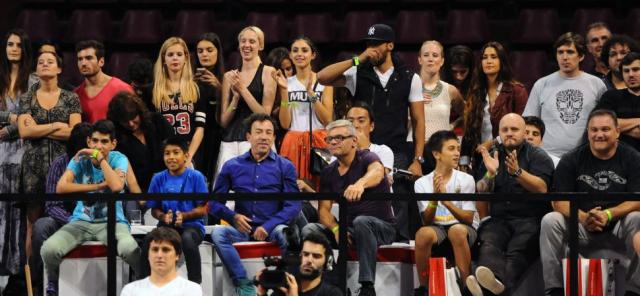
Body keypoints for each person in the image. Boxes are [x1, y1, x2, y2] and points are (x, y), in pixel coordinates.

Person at [317, 23, 424, 242]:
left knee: (399, 196)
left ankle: (398, 242)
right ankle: (360, 238)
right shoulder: (359, 72)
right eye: (369, 44)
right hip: (363, 149)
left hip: (397, 146)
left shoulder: (409, 77)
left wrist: (418, 159)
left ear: (390, 45)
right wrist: (358, 58)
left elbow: (419, 120)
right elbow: (322, 77)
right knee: (363, 195)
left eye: (377, 44)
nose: (372, 48)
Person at [540, 109, 640, 296]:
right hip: (582, 225)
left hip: (619, 224)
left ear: (617, 131)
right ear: (588, 133)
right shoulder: (571, 159)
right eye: (594, 130)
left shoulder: (633, 158)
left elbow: (638, 199)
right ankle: (554, 290)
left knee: (637, 217)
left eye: (605, 129)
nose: (599, 135)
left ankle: (634, 290)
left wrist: (608, 214)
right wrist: (584, 217)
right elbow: (559, 201)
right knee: (550, 219)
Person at [41, 120, 140, 295]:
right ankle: (53, 282)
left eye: (104, 142)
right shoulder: (79, 158)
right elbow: (61, 187)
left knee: (129, 249)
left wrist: (100, 159)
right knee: (48, 249)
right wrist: (98, 186)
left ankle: (140, 283)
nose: (98, 146)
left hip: (113, 221)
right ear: (88, 141)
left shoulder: (119, 159)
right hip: (81, 221)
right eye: (94, 141)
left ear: (113, 144)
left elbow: (117, 186)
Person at [208, 113, 300, 296]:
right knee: (218, 233)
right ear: (248, 136)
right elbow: (214, 204)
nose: (264, 137)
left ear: (274, 137)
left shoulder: (285, 166)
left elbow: (293, 206)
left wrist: (268, 226)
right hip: (243, 230)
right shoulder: (232, 166)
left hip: (273, 228)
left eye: (268, 132)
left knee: (287, 233)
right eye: (258, 132)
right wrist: (232, 217)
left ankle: (286, 283)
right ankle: (243, 283)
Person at [302, 119, 394, 296]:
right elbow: (323, 211)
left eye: (339, 138)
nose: (333, 142)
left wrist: (360, 184)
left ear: (354, 141)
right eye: (330, 139)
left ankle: (367, 287)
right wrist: (336, 229)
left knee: (362, 222)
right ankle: (329, 280)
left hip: (382, 228)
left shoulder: (367, 157)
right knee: (310, 229)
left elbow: (378, 171)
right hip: (349, 229)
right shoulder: (329, 171)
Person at [466, 113, 554, 296]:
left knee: (516, 254)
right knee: (489, 243)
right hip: (499, 219)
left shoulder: (539, 156)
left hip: (530, 220)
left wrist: (518, 173)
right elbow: (482, 191)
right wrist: (490, 174)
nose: (509, 133)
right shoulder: (491, 155)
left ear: (523, 133)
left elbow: (542, 188)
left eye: (514, 129)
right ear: (499, 133)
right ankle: (492, 286)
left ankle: (485, 290)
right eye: (505, 130)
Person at [413, 130, 477, 296]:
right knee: (422, 234)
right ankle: (425, 288)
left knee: (456, 231)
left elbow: (469, 219)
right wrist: (435, 198)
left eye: (458, 148)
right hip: (437, 228)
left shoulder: (466, 179)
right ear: (436, 154)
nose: (457, 153)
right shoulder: (421, 183)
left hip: (463, 228)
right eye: (451, 149)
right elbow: (426, 221)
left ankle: (467, 288)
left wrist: (446, 202)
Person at [523, 32, 607, 159]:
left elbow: (606, 122)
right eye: (560, 52)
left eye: (570, 52)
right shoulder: (541, 84)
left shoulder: (597, 84)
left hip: (586, 157)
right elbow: (528, 124)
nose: (565, 57)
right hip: (547, 157)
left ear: (581, 56)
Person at [31, 122, 91, 296]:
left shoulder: (105, 164)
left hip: (97, 219)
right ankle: (46, 284)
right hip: (68, 221)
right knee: (42, 226)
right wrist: (73, 220)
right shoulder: (60, 164)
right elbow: (52, 205)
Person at [140, 136, 208, 284]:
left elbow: (203, 208)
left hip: (193, 226)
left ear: (186, 155)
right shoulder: (158, 178)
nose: (171, 157)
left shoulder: (196, 177)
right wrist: (163, 217)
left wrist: (185, 216)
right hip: (166, 227)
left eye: (176, 152)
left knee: (187, 240)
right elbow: (154, 209)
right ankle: (143, 284)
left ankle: (195, 285)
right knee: (148, 241)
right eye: (167, 153)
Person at [216, 26, 277, 180]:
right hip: (230, 141)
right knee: (227, 197)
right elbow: (223, 121)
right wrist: (236, 98)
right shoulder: (229, 76)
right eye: (243, 41)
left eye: (252, 41)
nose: (246, 45)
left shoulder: (268, 72)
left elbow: (264, 115)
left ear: (260, 45)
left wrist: (243, 90)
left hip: (256, 141)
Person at [18, 50, 82, 194]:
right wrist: (56, 126)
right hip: (33, 165)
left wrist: (37, 130)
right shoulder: (26, 98)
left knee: (62, 209)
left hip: (64, 164)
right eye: (40, 62)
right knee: (33, 209)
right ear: (36, 70)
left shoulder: (71, 98)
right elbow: (24, 132)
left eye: (50, 62)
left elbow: (74, 132)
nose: (45, 64)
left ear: (59, 69)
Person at [461, 41, 528, 178]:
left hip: (509, 155)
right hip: (479, 157)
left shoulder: (516, 90)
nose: (488, 61)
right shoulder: (476, 91)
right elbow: (468, 130)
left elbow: (523, 126)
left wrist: (493, 143)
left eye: (493, 57)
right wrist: (464, 159)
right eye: (485, 57)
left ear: (502, 61)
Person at [0, 28, 34, 294]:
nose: (13, 48)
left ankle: (17, 272)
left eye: (18, 45)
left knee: (18, 215)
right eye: (10, 44)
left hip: (23, 153)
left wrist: (9, 127)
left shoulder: (33, 81)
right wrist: (11, 119)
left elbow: (29, 119)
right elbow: (16, 117)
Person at [274, 36, 334, 186]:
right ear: (290, 55)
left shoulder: (324, 82)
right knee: (292, 187)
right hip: (293, 140)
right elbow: (285, 123)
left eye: (304, 50)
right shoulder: (286, 83)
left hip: (320, 140)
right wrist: (283, 91)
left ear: (313, 55)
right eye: (295, 50)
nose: (299, 54)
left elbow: (327, 120)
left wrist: (312, 95)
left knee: (322, 187)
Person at [152, 37, 208, 170]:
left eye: (179, 54)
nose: (175, 58)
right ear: (163, 59)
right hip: (163, 156)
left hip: (188, 154)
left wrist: (188, 157)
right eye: (170, 55)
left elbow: (200, 128)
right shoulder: (153, 91)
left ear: (186, 58)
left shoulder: (197, 89)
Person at [411, 40, 464, 173]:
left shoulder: (450, 90)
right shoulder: (409, 88)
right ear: (419, 60)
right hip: (414, 150)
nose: (430, 59)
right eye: (426, 55)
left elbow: (469, 115)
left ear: (442, 61)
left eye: (435, 55)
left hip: (442, 151)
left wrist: (452, 126)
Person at [107, 91, 174, 192]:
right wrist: (142, 200)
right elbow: (128, 175)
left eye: (133, 118)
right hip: (139, 190)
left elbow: (176, 149)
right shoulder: (117, 138)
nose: (131, 124)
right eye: (124, 121)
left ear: (139, 112)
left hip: (171, 183)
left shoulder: (157, 121)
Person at [121, 227, 203, 296]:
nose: (159, 255)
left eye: (166, 250)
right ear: (148, 254)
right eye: (155, 250)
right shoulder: (130, 291)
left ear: (177, 255)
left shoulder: (192, 291)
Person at [255, 232, 343, 296]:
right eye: (306, 254)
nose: (309, 260)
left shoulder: (332, 293)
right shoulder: (284, 289)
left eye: (316, 256)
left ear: (327, 262)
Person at [74, 40, 133, 123]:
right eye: (80, 59)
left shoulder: (122, 89)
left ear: (101, 62)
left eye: (89, 58)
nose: (83, 63)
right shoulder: (75, 94)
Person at [194, 32, 225, 185]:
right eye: (200, 51)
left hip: (216, 135)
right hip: (195, 135)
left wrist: (220, 88)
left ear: (218, 52)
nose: (204, 54)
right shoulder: (189, 79)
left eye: (209, 50)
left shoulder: (227, 78)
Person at [595, 52, 640, 152]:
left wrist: (615, 128)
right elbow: (599, 124)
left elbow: (608, 126)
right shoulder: (611, 96)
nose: (631, 74)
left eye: (636, 70)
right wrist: (638, 121)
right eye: (626, 71)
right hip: (617, 160)